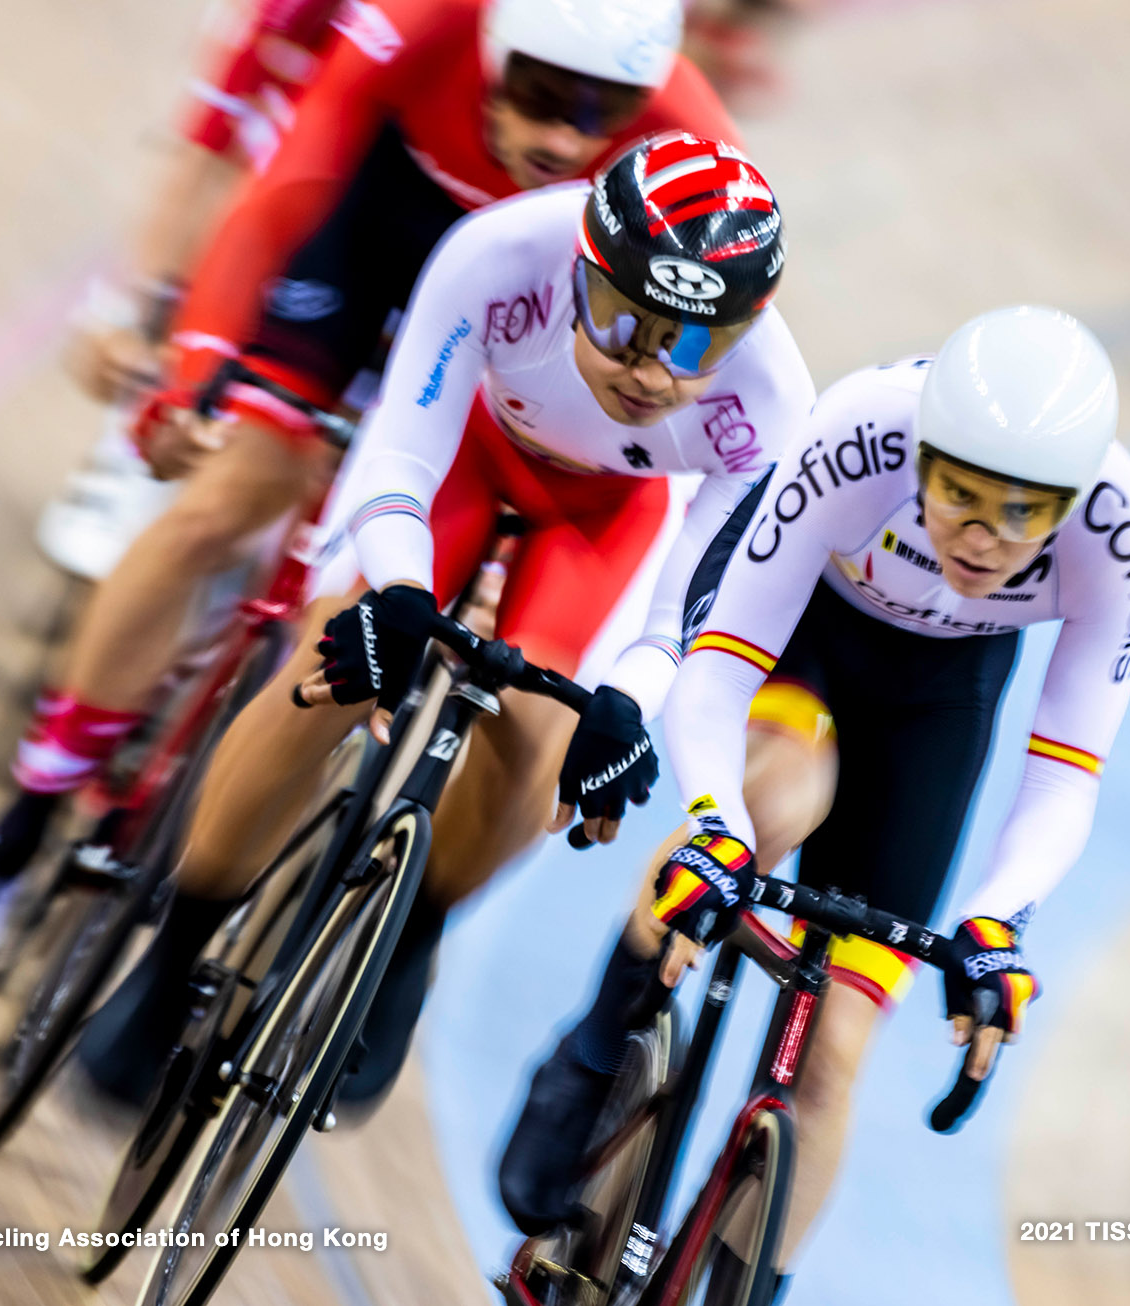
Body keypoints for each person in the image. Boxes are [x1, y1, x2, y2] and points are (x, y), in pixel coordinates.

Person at [0, 0, 733, 964]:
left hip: (519, 331)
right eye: (541, 98)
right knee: (224, 500)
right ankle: (19, 827)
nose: (564, 136)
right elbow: (289, 184)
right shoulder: (419, 24)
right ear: (495, 55)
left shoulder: (693, 132)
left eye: (603, 115)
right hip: (381, 234)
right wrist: (197, 365)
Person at [69, 133, 815, 1111]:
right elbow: (399, 456)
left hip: (602, 517)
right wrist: (397, 596)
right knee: (327, 672)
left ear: (742, 328)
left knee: (540, 740)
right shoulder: (501, 252)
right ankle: (173, 953)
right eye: (622, 321)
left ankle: (409, 938)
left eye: (688, 344)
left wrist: (626, 706)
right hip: (463, 454)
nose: (647, 369)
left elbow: (687, 612)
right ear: (582, 272)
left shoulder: (770, 406)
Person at [497, 307, 1130, 1296]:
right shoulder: (859, 432)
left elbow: (1066, 770)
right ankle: (601, 1040)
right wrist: (718, 832)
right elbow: (719, 670)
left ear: (1070, 502)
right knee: (778, 798)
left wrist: (995, 923)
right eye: (959, 499)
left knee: (834, 1054)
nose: (983, 539)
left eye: (1022, 512)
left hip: (938, 694)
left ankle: (740, 1281)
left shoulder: (1123, 537)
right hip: (804, 627)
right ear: (922, 457)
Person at [44, 0, 348, 579]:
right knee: (247, 185)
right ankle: (151, 407)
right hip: (271, 204)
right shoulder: (291, 16)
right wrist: (136, 313)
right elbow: (204, 151)